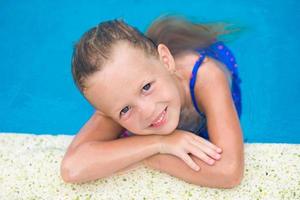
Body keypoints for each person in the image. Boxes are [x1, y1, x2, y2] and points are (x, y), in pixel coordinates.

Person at [60, 16, 244, 188]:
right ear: (107, 112)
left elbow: (229, 172)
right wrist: (158, 144)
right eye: (125, 110)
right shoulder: (116, 94)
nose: (147, 111)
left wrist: (144, 157)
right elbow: (72, 168)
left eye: (146, 87)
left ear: (166, 60)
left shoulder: (205, 77)